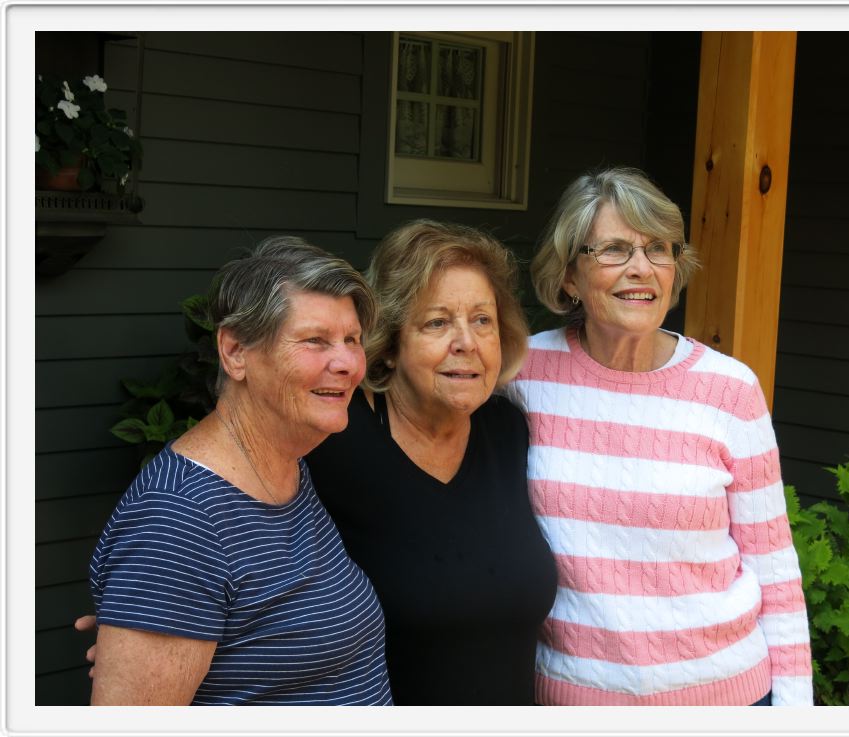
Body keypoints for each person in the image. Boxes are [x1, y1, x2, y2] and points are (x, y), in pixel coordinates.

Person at [505, 166, 813, 706]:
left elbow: (774, 570)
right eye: (615, 250)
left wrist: (794, 710)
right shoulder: (521, 375)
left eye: (657, 249)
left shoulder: (729, 390)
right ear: (569, 275)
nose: (641, 269)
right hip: (573, 699)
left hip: (727, 697)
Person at [85, 237, 393, 705]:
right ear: (234, 351)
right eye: (315, 341)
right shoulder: (179, 521)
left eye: (352, 340)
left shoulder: (286, 468)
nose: (349, 363)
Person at [306, 220, 559, 705]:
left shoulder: (509, 430)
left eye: (482, 320)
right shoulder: (334, 442)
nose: (466, 341)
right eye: (437, 322)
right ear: (392, 341)